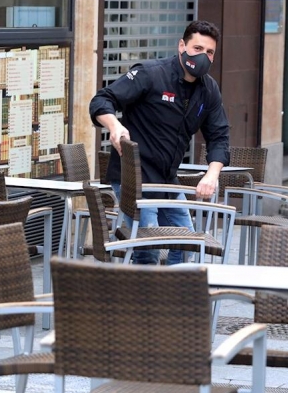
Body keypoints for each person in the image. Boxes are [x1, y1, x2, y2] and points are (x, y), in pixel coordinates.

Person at [89, 20, 231, 265]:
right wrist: (115, 126)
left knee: (187, 244)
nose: (203, 57)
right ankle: (144, 302)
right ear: (181, 46)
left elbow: (219, 135)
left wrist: (212, 174)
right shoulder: (151, 73)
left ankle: (171, 298)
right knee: (148, 247)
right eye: (198, 49)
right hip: (134, 178)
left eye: (210, 53)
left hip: (167, 180)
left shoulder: (209, 90)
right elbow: (103, 99)